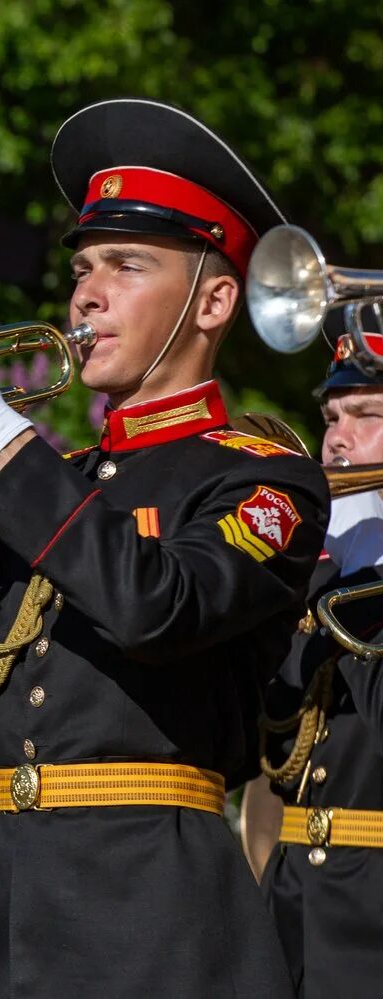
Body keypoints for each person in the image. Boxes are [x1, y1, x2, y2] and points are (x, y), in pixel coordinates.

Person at [0, 98, 327, 996]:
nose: (86, 293)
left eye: (126, 266)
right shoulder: (55, 485)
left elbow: (155, 604)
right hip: (9, 918)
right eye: (84, 267)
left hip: (160, 922)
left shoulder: (262, 478)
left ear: (212, 300)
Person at [253, 323, 383, 994]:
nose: (337, 436)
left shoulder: (358, 575)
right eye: (332, 415)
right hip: (295, 906)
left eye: (366, 415)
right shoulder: (318, 575)